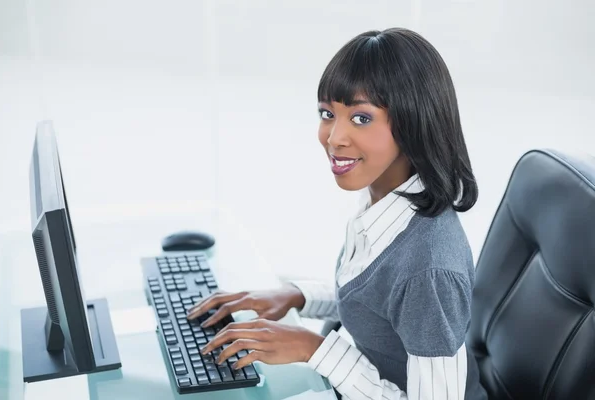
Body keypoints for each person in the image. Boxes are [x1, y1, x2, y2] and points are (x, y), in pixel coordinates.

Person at [188, 27, 488, 400]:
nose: (333, 137)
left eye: (361, 118)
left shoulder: (430, 269)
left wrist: (313, 349)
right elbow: (380, 304)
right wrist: (294, 296)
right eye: (328, 113)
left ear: (414, 121)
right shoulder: (385, 205)